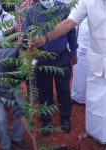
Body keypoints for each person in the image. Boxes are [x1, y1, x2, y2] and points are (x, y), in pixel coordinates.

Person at [28, 0, 106, 149]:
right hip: (95, 61)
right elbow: (68, 23)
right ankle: (93, 131)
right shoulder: (89, 1)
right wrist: (44, 38)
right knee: (93, 102)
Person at [24, 0, 78, 134]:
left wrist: (74, 51)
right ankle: (46, 121)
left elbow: (71, 32)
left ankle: (65, 118)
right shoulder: (32, 12)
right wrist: (31, 48)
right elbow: (27, 35)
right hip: (42, 59)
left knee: (64, 89)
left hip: (62, 56)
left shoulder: (64, 8)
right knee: (44, 91)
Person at [0, 48, 29, 150]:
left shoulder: (27, 58)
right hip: (3, 85)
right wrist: (21, 116)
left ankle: (17, 137)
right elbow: (6, 93)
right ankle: (6, 145)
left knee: (23, 108)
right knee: (1, 119)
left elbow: (30, 79)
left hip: (9, 84)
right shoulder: (4, 61)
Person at [71, 18, 89, 104]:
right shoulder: (82, 5)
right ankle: (78, 97)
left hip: (98, 47)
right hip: (82, 44)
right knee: (80, 72)